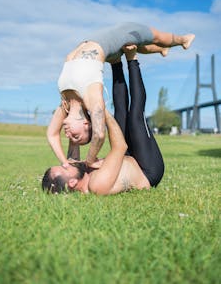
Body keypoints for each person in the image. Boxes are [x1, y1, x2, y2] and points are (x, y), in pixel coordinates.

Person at [48, 22, 195, 167]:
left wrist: (65, 163)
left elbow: (52, 135)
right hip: (109, 40)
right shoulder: (91, 99)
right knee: (155, 36)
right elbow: (99, 134)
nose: (68, 136)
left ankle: (162, 49)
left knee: (135, 43)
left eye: (72, 138)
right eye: (76, 136)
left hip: (99, 43)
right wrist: (90, 161)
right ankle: (183, 40)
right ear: (86, 124)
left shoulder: (65, 105)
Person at [42, 51, 165, 195]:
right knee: (135, 118)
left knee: (120, 114)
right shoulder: (97, 185)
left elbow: (74, 141)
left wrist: (71, 108)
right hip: (147, 170)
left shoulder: (78, 172)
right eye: (64, 168)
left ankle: (116, 63)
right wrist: (100, 109)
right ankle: (132, 58)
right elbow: (120, 146)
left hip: (127, 158)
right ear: (72, 183)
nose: (65, 164)